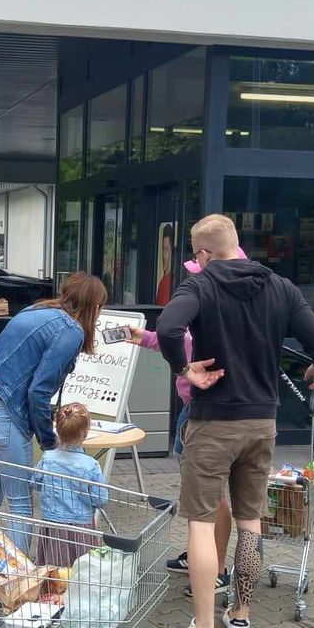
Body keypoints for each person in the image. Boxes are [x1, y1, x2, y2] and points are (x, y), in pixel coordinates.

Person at [156, 214, 314, 628]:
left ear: (203, 254)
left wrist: (184, 369)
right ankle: (240, 616)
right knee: (250, 521)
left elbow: (168, 328)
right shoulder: (280, 287)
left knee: (201, 523)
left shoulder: (199, 286)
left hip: (214, 422)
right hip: (262, 423)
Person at [130, 240, 251, 599]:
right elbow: (176, 339)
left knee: (211, 499)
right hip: (208, 412)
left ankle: (218, 568)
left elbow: (178, 339)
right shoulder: (228, 311)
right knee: (205, 496)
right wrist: (145, 338)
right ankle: (203, 557)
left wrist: (152, 341)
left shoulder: (217, 317)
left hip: (208, 415)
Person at [0, 272, 107, 556]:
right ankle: (18, 576)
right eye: (100, 307)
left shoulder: (36, 310)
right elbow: (38, 392)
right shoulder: (71, 330)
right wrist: (50, 444)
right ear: (94, 306)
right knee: (20, 503)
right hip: (0, 413)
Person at [31, 403, 110, 566]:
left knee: (54, 569)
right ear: (85, 433)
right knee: (83, 568)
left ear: (57, 431)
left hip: (53, 524)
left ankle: (52, 582)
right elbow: (101, 500)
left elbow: (35, 483)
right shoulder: (91, 465)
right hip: (81, 526)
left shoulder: (47, 459)